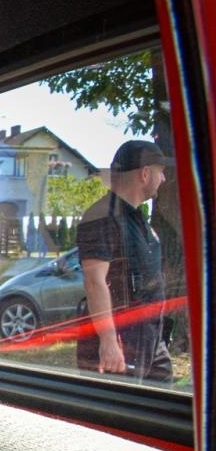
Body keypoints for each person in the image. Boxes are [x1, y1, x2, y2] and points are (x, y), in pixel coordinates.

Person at [75, 140, 174, 381]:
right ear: (145, 173)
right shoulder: (102, 216)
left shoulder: (137, 218)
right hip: (122, 342)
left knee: (162, 405)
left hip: (150, 340)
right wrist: (108, 341)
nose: (163, 179)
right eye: (160, 173)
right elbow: (95, 281)